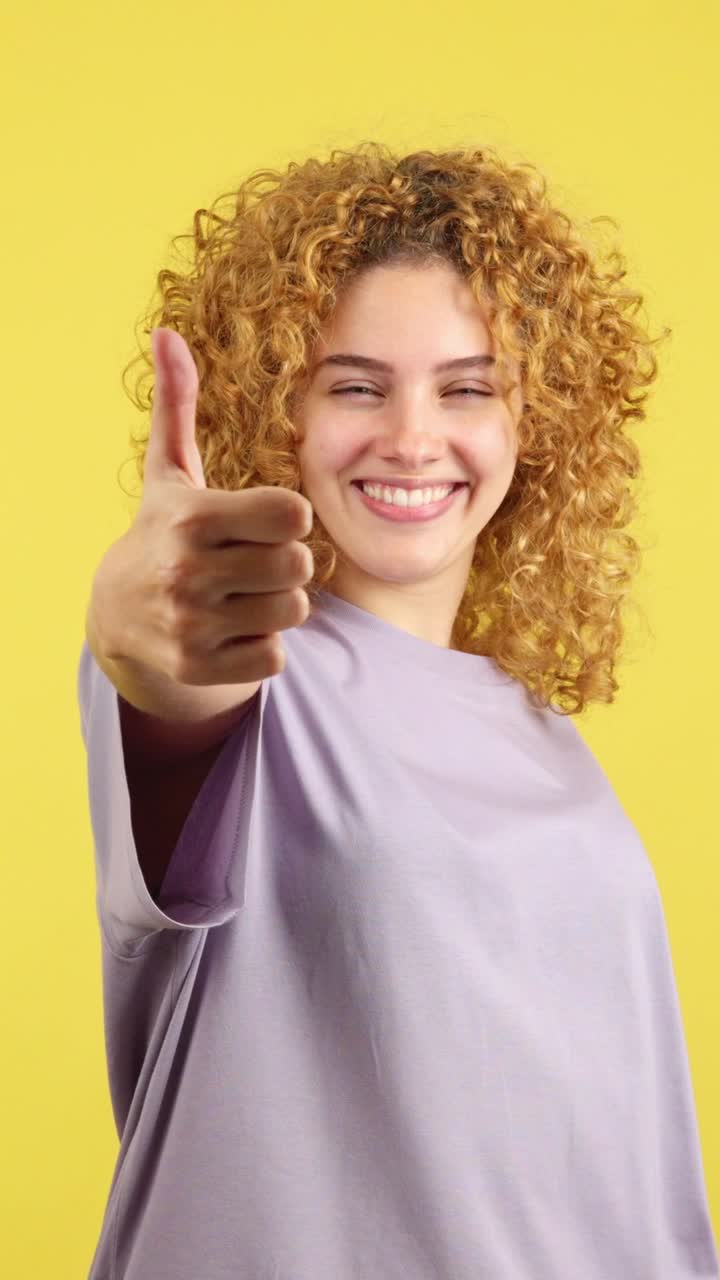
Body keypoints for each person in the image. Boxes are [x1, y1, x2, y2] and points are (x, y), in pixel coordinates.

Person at [77, 141, 719, 1278]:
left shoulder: (540, 729)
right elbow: (169, 682)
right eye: (357, 384)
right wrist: (143, 636)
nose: (414, 436)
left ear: (538, 420)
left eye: (468, 386)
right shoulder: (254, 672)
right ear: (279, 404)